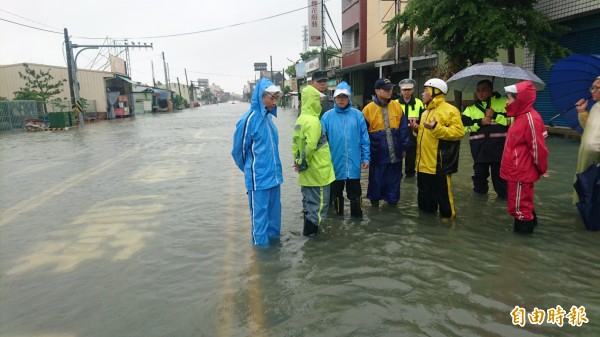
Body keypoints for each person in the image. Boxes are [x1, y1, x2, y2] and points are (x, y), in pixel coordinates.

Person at [231, 78, 284, 246]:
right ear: (262, 97)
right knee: (260, 223)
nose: (275, 102)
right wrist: (251, 170)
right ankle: (262, 259)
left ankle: (275, 252)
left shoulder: (268, 119)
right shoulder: (248, 120)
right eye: (272, 97)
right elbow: (238, 152)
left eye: (277, 98)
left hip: (274, 178)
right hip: (259, 180)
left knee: (275, 219)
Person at [411, 78, 464, 219]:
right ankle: (427, 230)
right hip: (422, 165)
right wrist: (416, 129)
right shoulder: (425, 113)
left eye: (425, 90)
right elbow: (425, 136)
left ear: (435, 92)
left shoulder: (451, 111)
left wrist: (436, 127)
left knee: (444, 201)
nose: (422, 94)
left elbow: (458, 133)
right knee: (424, 203)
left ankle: (448, 229)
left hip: (439, 164)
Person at [500, 81, 549, 234]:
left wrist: (542, 168)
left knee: (520, 209)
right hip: (517, 171)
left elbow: (538, 148)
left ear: (520, 99)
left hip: (521, 172)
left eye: (510, 99)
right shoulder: (520, 117)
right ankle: (529, 226)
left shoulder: (530, 119)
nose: (507, 102)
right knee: (521, 204)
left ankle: (521, 247)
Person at [321, 81, 370, 218]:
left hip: (354, 163)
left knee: (355, 194)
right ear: (334, 98)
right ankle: (338, 221)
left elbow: (364, 139)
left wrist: (365, 157)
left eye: (344, 97)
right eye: (338, 97)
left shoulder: (358, 115)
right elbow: (321, 141)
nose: (341, 100)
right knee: (336, 194)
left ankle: (357, 220)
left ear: (349, 98)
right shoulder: (327, 117)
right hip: (335, 163)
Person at [293, 84, 336, 236]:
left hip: (307, 174)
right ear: (312, 100)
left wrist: (298, 162)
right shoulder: (313, 121)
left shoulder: (300, 120)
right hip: (318, 173)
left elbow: (296, 144)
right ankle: (311, 241)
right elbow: (311, 146)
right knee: (318, 208)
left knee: (308, 205)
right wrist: (304, 162)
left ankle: (307, 239)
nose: (320, 103)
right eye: (318, 100)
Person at [362, 78, 409, 207]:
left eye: (391, 88)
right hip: (377, 156)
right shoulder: (367, 110)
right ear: (377, 91)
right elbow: (363, 135)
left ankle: (392, 213)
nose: (389, 91)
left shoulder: (397, 106)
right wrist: (365, 155)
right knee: (375, 185)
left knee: (394, 185)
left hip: (396, 156)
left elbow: (403, 129)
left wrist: (404, 148)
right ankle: (375, 210)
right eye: (386, 89)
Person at [461, 79, 509, 199]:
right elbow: (463, 128)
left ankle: (503, 208)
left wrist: (496, 115)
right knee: (479, 179)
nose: (480, 93)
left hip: (499, 150)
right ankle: (479, 207)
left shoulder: (504, 103)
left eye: (484, 90)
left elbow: (513, 121)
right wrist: (480, 122)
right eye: (478, 91)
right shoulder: (470, 109)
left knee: (501, 182)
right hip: (479, 150)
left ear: (491, 90)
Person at [574, 76, 600, 203]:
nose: (592, 91)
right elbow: (589, 129)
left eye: (597, 88)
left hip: (597, 162)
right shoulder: (596, 107)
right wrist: (582, 111)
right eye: (592, 87)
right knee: (586, 189)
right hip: (587, 159)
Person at [397, 78, 425, 178]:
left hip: (413, 139)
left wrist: (417, 127)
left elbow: (424, 122)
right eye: (404, 90)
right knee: (396, 169)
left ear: (413, 90)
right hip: (398, 140)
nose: (407, 92)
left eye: (409, 89)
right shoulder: (395, 103)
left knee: (411, 169)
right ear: (400, 90)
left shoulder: (419, 103)